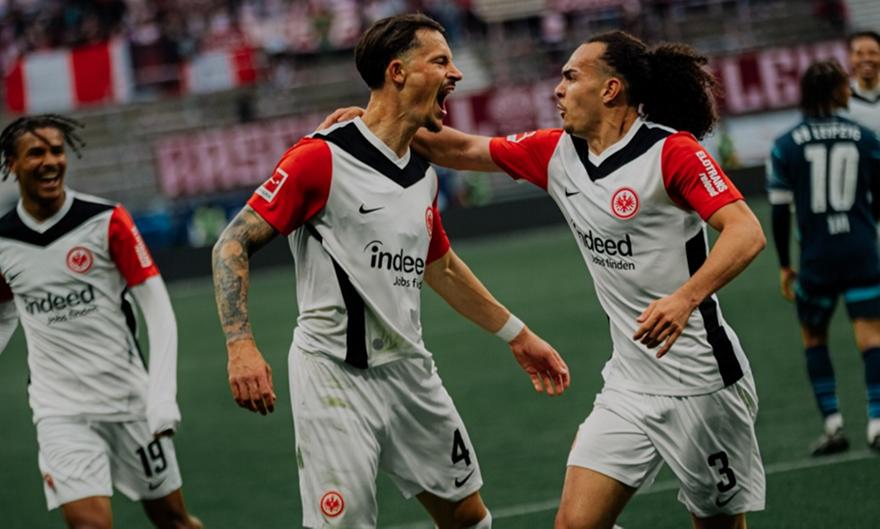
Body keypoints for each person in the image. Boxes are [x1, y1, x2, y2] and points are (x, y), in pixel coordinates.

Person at [326, 29, 767, 529]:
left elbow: (745, 232)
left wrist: (684, 299)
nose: (558, 89)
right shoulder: (557, 153)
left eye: (571, 77)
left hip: (704, 382)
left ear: (610, 90)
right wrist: (376, 123)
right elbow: (462, 148)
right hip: (630, 383)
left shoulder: (672, 152)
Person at [211, 14, 570, 529]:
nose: (456, 74)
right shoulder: (320, 158)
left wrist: (519, 335)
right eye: (441, 61)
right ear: (398, 72)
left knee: (468, 516)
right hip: (334, 375)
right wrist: (240, 344)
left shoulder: (423, 174)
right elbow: (231, 243)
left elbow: (442, 268)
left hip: (410, 372)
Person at [0, 114, 202, 529]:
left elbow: (158, 309)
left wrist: (161, 396)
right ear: (11, 164)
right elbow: (3, 313)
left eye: (57, 151)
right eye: (35, 153)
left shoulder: (107, 220)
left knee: (174, 522)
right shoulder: (3, 241)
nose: (50, 161)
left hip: (128, 400)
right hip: (58, 410)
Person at [767, 59, 880, 455]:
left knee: (814, 337)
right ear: (835, 91)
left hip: (817, 257)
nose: (850, 90)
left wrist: (785, 263)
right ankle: (877, 424)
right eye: (844, 85)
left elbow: (779, 211)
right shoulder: (866, 137)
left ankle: (833, 425)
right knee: (872, 338)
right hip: (861, 250)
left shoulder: (785, 144)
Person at [843, 30, 880, 132]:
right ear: (850, 57)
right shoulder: (842, 100)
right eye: (859, 54)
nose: (867, 58)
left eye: (873, 53)